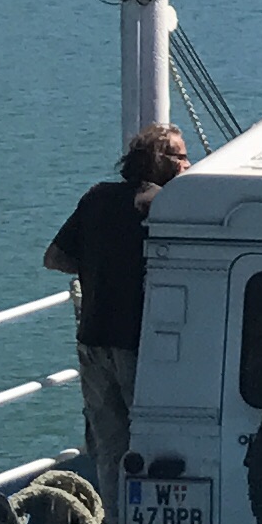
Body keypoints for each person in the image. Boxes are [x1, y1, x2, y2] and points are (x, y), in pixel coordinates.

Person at [47, 123, 184, 484]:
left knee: (110, 449)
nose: (189, 164)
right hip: (138, 345)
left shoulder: (96, 197)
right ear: (161, 161)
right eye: (182, 157)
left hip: (93, 340)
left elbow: (54, 257)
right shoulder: (165, 205)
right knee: (154, 443)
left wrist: (97, 267)